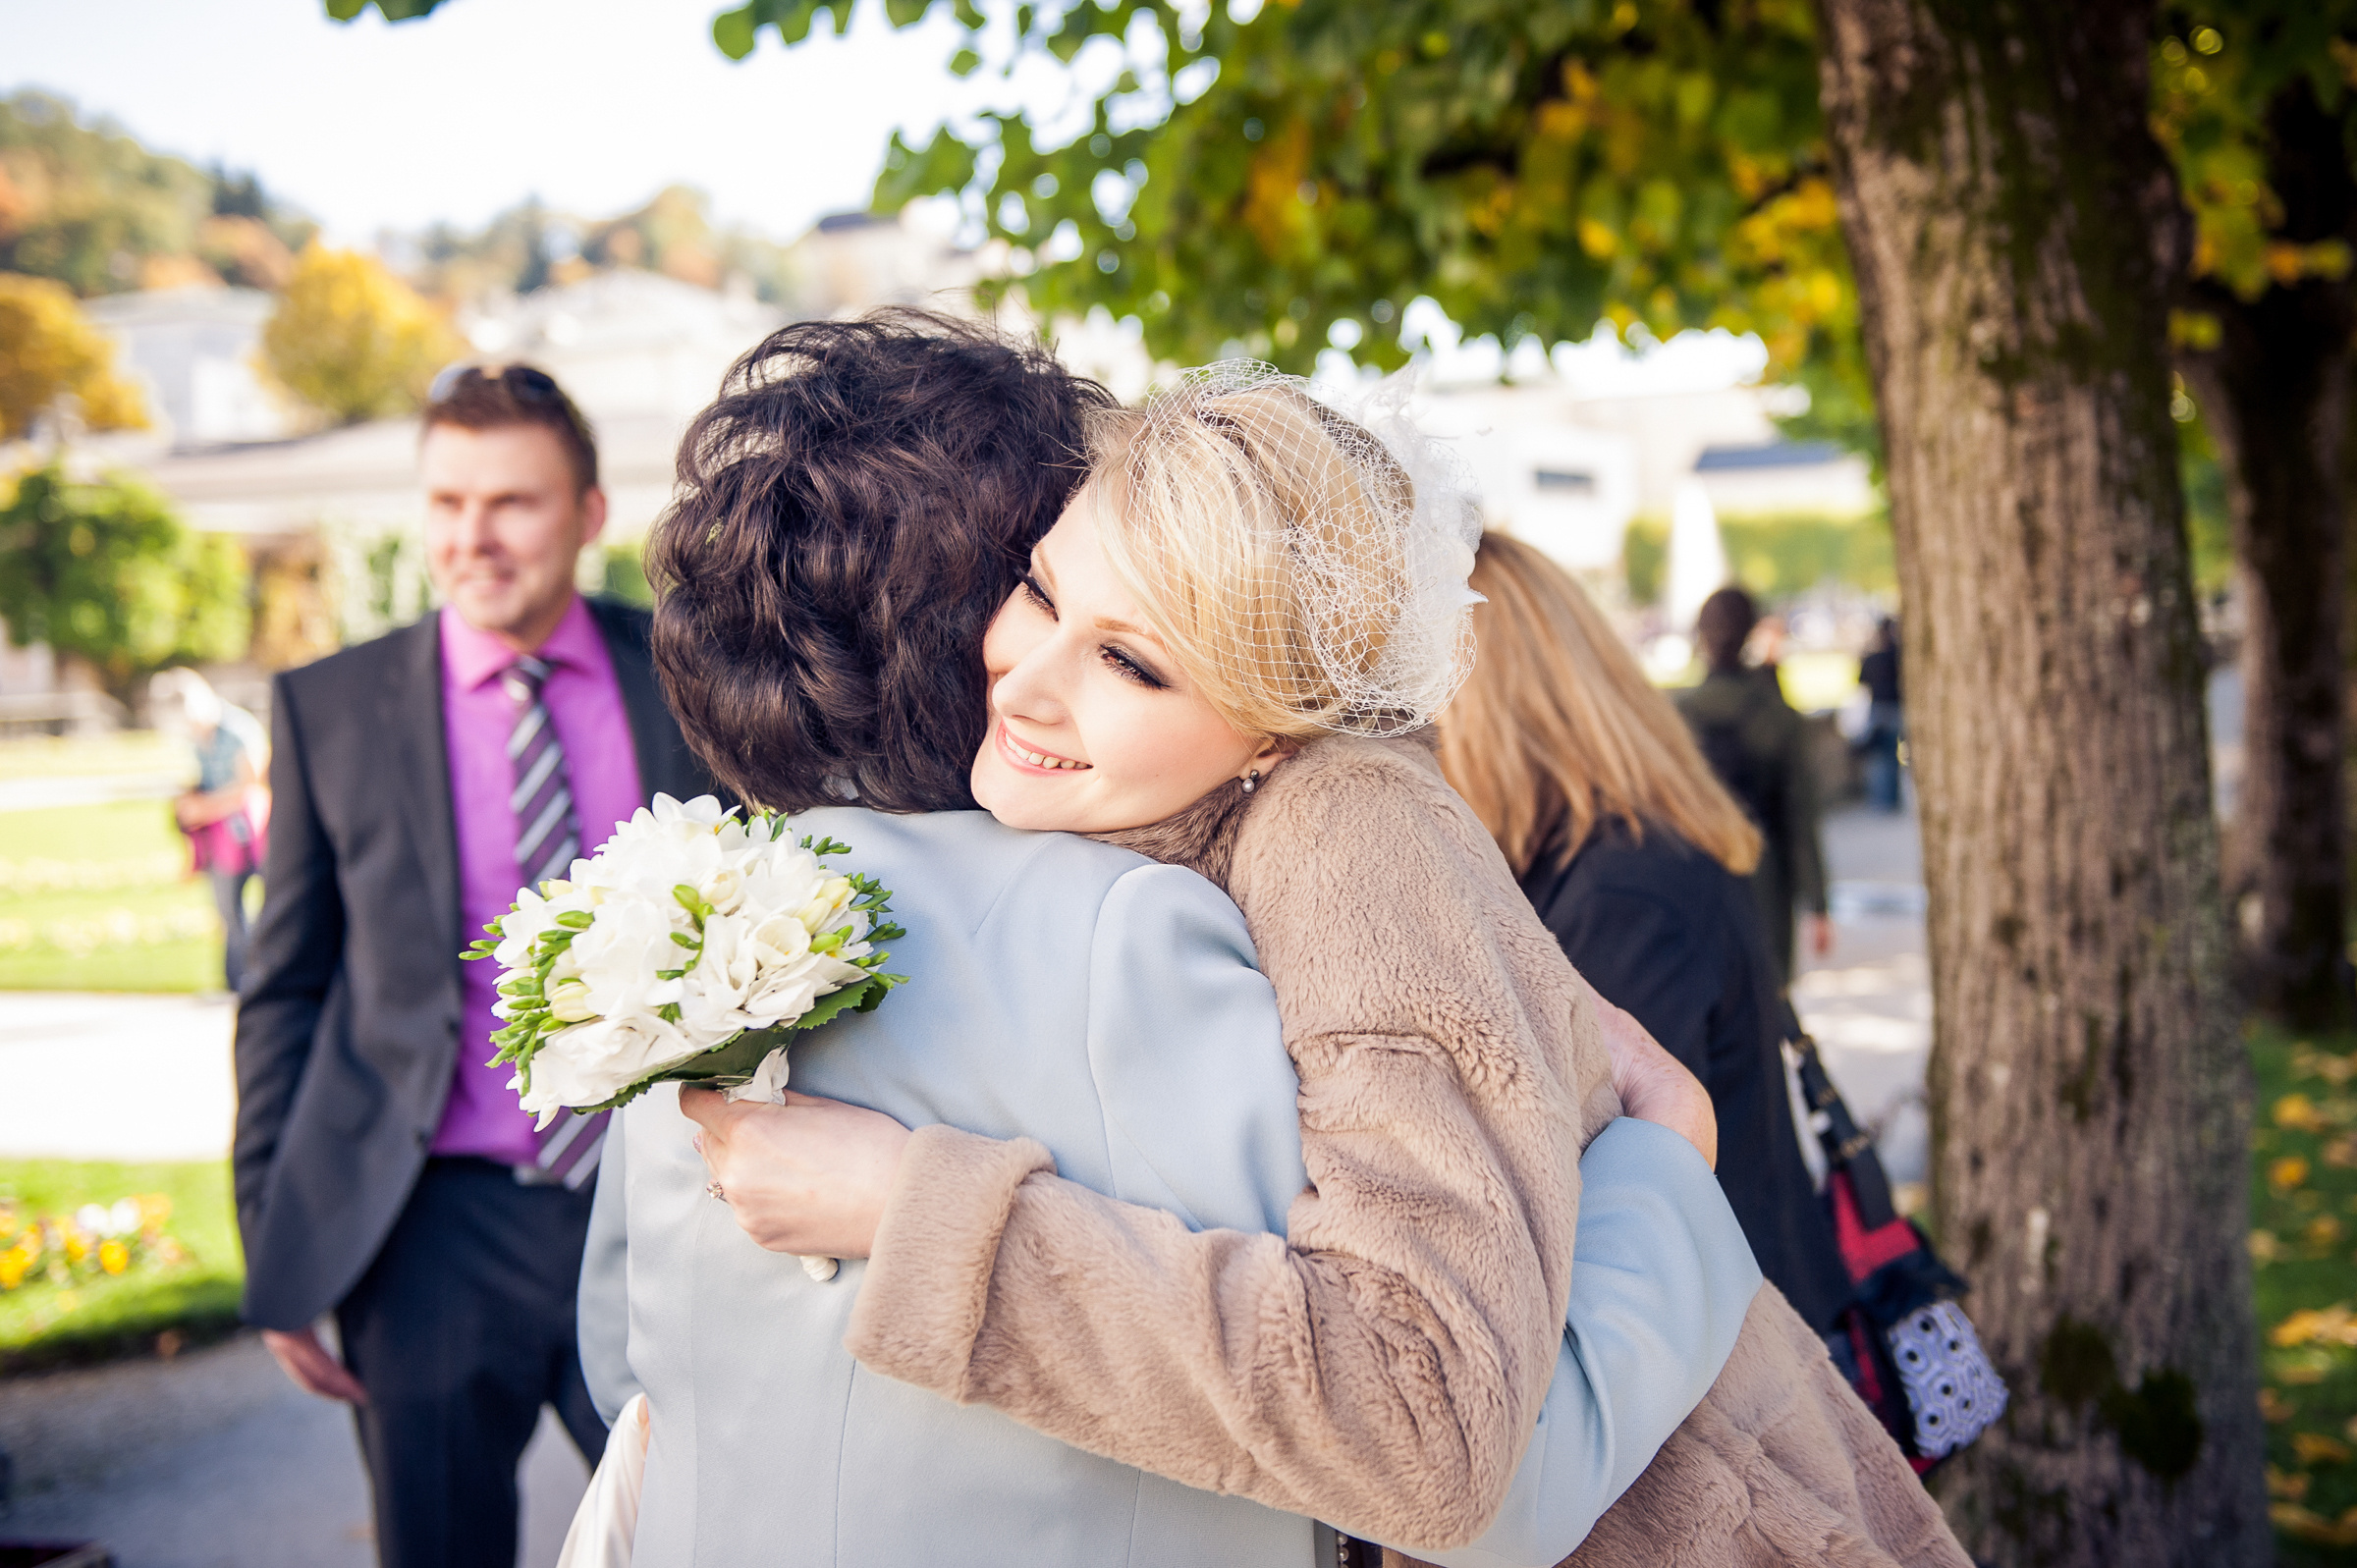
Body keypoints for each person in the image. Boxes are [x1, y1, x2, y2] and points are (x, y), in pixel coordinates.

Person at [589, 332, 1968, 1568]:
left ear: (1278, 723)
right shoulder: (1128, 835)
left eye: (1137, 661)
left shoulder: (1352, 824)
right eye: (1040, 590)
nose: (1031, 673)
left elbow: (1427, 1429)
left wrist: (920, 1217)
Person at [232, 363, 720, 1568]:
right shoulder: (328, 708)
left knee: (707, 1538)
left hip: (664, 1202)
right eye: (447, 502)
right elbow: (285, 986)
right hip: (430, 1231)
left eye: (513, 502)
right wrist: (275, 1239)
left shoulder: (693, 676)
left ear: (592, 514)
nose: (473, 537)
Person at [1435, 533, 1853, 1334]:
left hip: (1734, 1364)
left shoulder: (1622, 893)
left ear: (1473, 705)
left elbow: (1597, 1198)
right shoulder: (1633, 847)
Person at [1675, 584, 1832, 985]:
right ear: (1750, 633)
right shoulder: (1777, 714)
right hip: (1765, 874)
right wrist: (1818, 904)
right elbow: (1800, 815)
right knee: (1768, 999)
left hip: (1694, 876)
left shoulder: (1675, 715)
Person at [150, 666, 270, 993]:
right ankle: (238, 982)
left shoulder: (237, 730)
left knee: (274, 904)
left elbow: (252, 786)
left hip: (255, 832)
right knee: (228, 912)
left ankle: (268, 977)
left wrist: (205, 807)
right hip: (221, 838)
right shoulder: (195, 739)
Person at [1858, 616, 1905, 811]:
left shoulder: (1873, 656)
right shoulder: (1896, 655)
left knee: (1881, 759)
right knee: (1890, 757)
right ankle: (1890, 799)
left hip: (1880, 708)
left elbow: (1860, 681)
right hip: (1892, 708)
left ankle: (1884, 800)